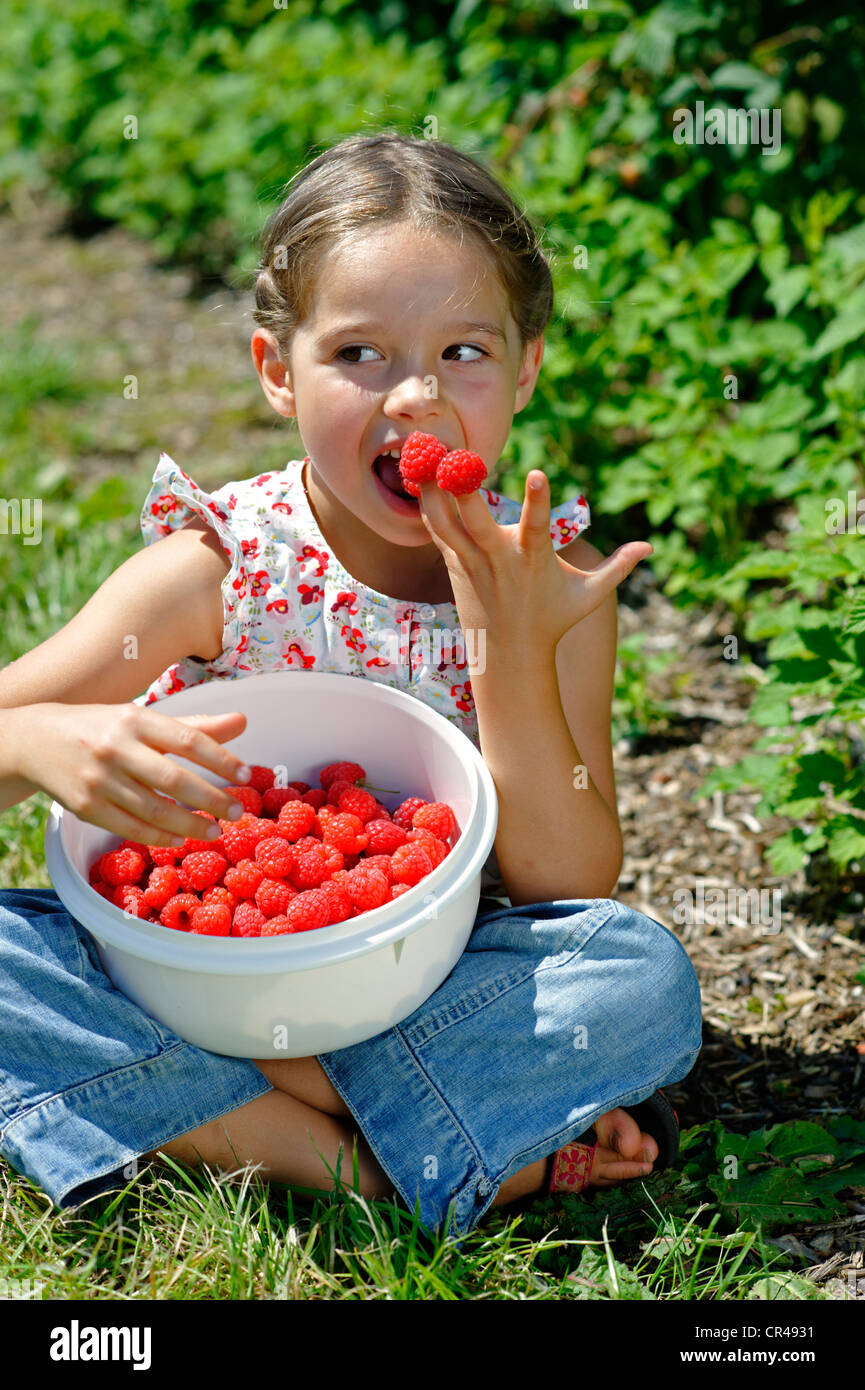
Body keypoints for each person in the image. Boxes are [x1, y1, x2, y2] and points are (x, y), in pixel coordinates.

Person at [0, 132, 702, 1239]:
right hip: (182, 970)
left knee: (637, 977)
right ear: (280, 372)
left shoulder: (554, 585)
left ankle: (227, 1110)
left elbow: (567, 875)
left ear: (525, 368)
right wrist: (34, 745)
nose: (417, 395)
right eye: (361, 354)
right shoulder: (218, 569)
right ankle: (378, 1159)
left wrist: (502, 642)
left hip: (424, 976)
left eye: (464, 350)